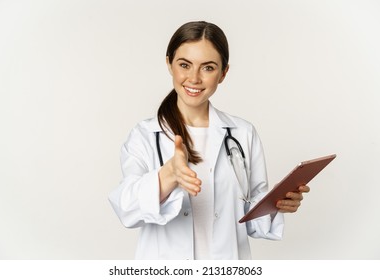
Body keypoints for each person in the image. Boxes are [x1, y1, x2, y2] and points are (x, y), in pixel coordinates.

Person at [109, 21, 310, 260]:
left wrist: (276, 205)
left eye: (208, 68)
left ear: (223, 73)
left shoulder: (242, 133)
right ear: (169, 64)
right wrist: (168, 175)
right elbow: (127, 209)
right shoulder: (145, 135)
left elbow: (252, 221)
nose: (193, 78)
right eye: (184, 65)